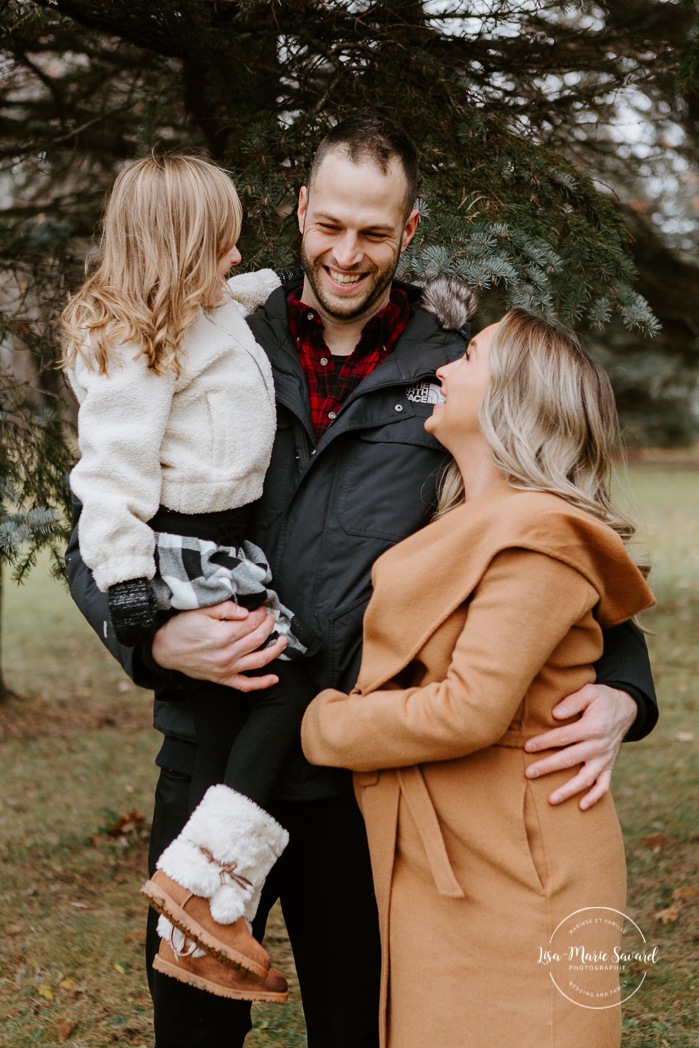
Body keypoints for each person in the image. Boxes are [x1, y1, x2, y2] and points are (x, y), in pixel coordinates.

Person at [65, 115, 658, 1048]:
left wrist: (625, 685)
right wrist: (149, 637)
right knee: (192, 1023)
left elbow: (550, 531)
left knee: (360, 1025)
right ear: (300, 212)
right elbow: (103, 521)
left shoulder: (454, 375)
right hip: (212, 754)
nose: (347, 253)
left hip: (367, 784)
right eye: (329, 225)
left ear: (408, 231)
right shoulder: (213, 328)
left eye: (374, 233)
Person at [301, 309, 655, 1047]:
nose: (441, 370)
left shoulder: (540, 534)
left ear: (511, 396)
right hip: (455, 854)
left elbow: (469, 711)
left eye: (467, 357)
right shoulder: (471, 519)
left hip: (522, 863)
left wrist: (323, 723)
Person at [61, 153, 324, 1002]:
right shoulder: (131, 345)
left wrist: (283, 276)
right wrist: (130, 591)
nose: (233, 261)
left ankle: (206, 905)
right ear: (180, 249)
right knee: (274, 688)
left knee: (250, 704)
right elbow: (110, 477)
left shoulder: (209, 307)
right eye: (221, 246)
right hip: (179, 546)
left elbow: (240, 294)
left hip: (224, 543)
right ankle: (206, 892)